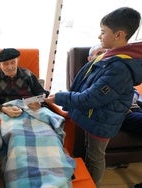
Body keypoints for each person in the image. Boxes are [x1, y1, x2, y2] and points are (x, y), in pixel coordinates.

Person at [45, 7, 142, 187]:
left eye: (103, 32)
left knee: (96, 156)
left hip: (103, 120)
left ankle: (93, 184)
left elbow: (91, 98)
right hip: (96, 115)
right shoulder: (109, 56)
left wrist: (59, 97)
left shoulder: (119, 68)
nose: (99, 36)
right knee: (90, 153)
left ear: (119, 34)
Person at [0, 48, 75, 188]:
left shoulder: (27, 74)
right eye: (5, 64)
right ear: (0, 65)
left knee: (49, 135)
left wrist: (38, 102)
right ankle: (24, 180)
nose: (9, 67)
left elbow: (42, 93)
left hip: (33, 111)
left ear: (17, 61)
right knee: (18, 138)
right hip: (10, 113)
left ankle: (52, 177)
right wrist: (4, 109)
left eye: (12, 63)